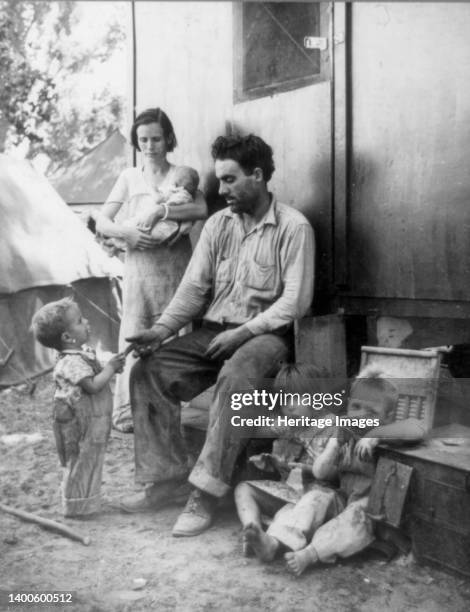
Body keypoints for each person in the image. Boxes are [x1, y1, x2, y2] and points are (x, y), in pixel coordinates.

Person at [123, 133, 315, 538]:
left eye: (229, 180)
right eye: (220, 180)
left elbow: (294, 303)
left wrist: (242, 333)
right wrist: (160, 331)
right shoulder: (216, 225)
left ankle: (205, 494)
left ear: (258, 175)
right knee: (149, 370)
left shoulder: (294, 227)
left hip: (268, 337)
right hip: (213, 331)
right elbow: (193, 290)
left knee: (235, 377)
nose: (221, 189)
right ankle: (166, 479)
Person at [235, 369, 426, 576]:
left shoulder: (389, 433)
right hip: (342, 498)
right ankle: (272, 542)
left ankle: (310, 554)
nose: (360, 415)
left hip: (371, 507)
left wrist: (376, 436)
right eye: (355, 407)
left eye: (370, 411)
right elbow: (320, 472)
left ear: (387, 417)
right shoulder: (342, 432)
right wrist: (334, 446)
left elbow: (416, 428)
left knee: (352, 519)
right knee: (315, 498)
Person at [96, 108, 207, 433]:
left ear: (168, 139)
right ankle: (130, 412)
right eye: (143, 139)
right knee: (137, 328)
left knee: (172, 333)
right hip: (140, 269)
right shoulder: (129, 177)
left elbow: (200, 208)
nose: (150, 145)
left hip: (173, 267)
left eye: (156, 138)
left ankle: (171, 409)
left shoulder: (182, 174)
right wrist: (125, 234)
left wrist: (162, 209)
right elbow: (102, 220)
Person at [31, 297, 126, 517]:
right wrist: (110, 369)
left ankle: (85, 502)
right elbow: (92, 386)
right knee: (80, 460)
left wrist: (110, 366)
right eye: (80, 321)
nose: (87, 322)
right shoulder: (70, 362)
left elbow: (96, 371)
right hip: (78, 423)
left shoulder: (78, 354)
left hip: (87, 420)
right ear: (67, 337)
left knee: (88, 460)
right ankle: (77, 505)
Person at [107, 165, 200, 252]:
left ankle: (114, 242)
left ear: (176, 183)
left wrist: (153, 189)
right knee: (138, 236)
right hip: (169, 231)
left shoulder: (174, 191)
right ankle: (116, 245)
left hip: (159, 225)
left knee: (132, 228)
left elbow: (159, 199)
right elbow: (188, 222)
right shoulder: (189, 198)